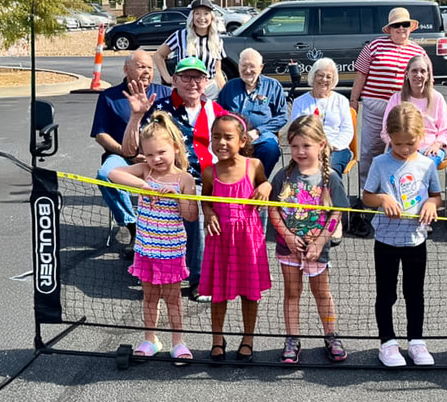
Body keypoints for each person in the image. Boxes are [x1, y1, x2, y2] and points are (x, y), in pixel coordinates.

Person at [122, 56, 227, 302]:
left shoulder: (216, 111)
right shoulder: (160, 111)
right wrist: (136, 117)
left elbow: (235, 143)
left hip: (212, 180)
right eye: (187, 77)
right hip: (174, 182)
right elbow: (129, 151)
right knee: (198, 209)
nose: (193, 83)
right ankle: (199, 280)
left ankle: (240, 269)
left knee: (254, 204)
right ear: (175, 80)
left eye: (198, 77)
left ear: (206, 81)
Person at [108, 111, 197, 364]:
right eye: (149, 154)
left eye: (161, 152)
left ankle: (178, 342)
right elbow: (113, 174)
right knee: (149, 297)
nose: (155, 159)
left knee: (173, 299)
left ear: (175, 148)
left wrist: (178, 197)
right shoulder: (145, 171)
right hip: (146, 249)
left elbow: (191, 216)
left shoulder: (184, 179)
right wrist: (145, 186)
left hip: (171, 251)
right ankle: (150, 339)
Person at [363, 103, 442, 367]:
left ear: (420, 137)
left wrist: (431, 204)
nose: (404, 149)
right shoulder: (380, 163)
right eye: (398, 145)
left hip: (415, 239)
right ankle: (387, 342)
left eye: (410, 143)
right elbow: (366, 197)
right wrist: (382, 198)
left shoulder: (427, 164)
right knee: (386, 293)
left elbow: (436, 196)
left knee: (414, 292)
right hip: (386, 239)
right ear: (389, 138)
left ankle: (416, 341)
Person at [269, 116, 349, 364]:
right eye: (294, 146)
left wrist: (320, 242)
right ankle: (292, 338)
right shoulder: (283, 176)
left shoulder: (330, 178)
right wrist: (288, 237)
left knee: (322, 293)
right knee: (292, 293)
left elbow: (337, 213)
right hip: (288, 248)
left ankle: (331, 335)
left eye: (306, 146)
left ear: (322, 145)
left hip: (317, 250)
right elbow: (273, 210)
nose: (300, 151)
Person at [201, 114, 273, 363]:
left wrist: (266, 187)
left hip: (247, 240)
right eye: (216, 137)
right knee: (218, 293)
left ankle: (248, 338)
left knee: (249, 293)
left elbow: (265, 184)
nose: (221, 142)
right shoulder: (209, 172)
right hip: (220, 240)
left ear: (242, 141)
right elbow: (206, 201)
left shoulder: (254, 166)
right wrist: (208, 213)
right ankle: (217, 339)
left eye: (228, 137)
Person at [91, 50, 171, 257]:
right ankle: (134, 227)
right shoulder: (108, 96)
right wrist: (127, 152)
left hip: (159, 158)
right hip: (120, 156)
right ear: (126, 69)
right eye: (141, 66)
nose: (146, 72)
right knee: (105, 175)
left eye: (150, 68)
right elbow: (100, 134)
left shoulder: (165, 94)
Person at [350, 7, 428, 188]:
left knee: (400, 150)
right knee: (371, 150)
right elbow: (361, 74)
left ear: (411, 27)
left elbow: (425, 81)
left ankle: (395, 190)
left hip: (403, 109)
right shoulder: (374, 46)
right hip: (375, 105)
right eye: (396, 25)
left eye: (405, 25)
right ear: (390, 28)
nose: (401, 28)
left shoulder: (419, 52)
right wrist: (354, 101)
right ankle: (367, 192)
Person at [217, 48, 287, 177]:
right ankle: (234, 183)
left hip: (262, 136)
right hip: (234, 137)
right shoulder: (229, 87)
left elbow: (282, 116)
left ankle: (258, 181)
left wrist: (258, 131)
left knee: (271, 148)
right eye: (244, 65)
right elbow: (218, 114)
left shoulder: (273, 86)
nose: (247, 70)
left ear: (261, 67)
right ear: (239, 66)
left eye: (252, 66)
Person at [380, 54, 447, 168]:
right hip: (402, 146)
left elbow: (445, 130)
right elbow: (386, 128)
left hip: (430, 147)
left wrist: (437, 145)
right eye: (414, 71)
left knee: (425, 167)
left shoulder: (437, 98)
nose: (418, 75)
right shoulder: (396, 98)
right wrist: (397, 146)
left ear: (428, 75)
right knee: (387, 166)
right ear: (407, 74)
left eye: (423, 71)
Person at [290, 57, 354, 176]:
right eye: (320, 75)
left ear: (334, 80)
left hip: (337, 148)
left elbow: (347, 130)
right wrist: (313, 148)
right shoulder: (299, 102)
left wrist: (330, 146)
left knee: (330, 170)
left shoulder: (341, 101)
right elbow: (296, 131)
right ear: (313, 76)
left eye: (329, 77)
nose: (324, 79)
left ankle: (331, 194)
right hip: (307, 148)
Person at [153, 0, 226, 99]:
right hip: (185, 88)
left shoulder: (217, 40)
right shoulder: (180, 35)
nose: (202, 17)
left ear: (211, 17)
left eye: (206, 13)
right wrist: (168, 78)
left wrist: (225, 93)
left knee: (209, 115)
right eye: (197, 13)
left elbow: (217, 71)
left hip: (210, 90)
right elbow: (158, 55)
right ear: (192, 16)